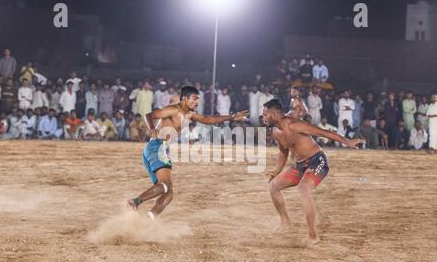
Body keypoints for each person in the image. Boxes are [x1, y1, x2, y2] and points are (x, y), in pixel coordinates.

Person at [128, 86, 248, 220]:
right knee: (166, 186)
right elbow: (149, 115)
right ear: (185, 99)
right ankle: (135, 202)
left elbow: (209, 120)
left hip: (157, 149)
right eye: (194, 99)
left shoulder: (189, 114)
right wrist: (151, 128)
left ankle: (149, 219)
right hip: (157, 147)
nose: (197, 102)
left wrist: (231, 117)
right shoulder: (174, 110)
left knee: (169, 193)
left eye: (198, 99)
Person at [262, 99, 363, 246]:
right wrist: (276, 171)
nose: (263, 117)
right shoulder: (276, 132)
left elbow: (324, 132)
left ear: (274, 114)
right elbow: (283, 151)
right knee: (273, 187)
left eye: (265, 114)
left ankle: (312, 236)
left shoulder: (295, 124)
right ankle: (285, 223)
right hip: (299, 166)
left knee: (303, 189)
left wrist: (347, 141)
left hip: (317, 161)